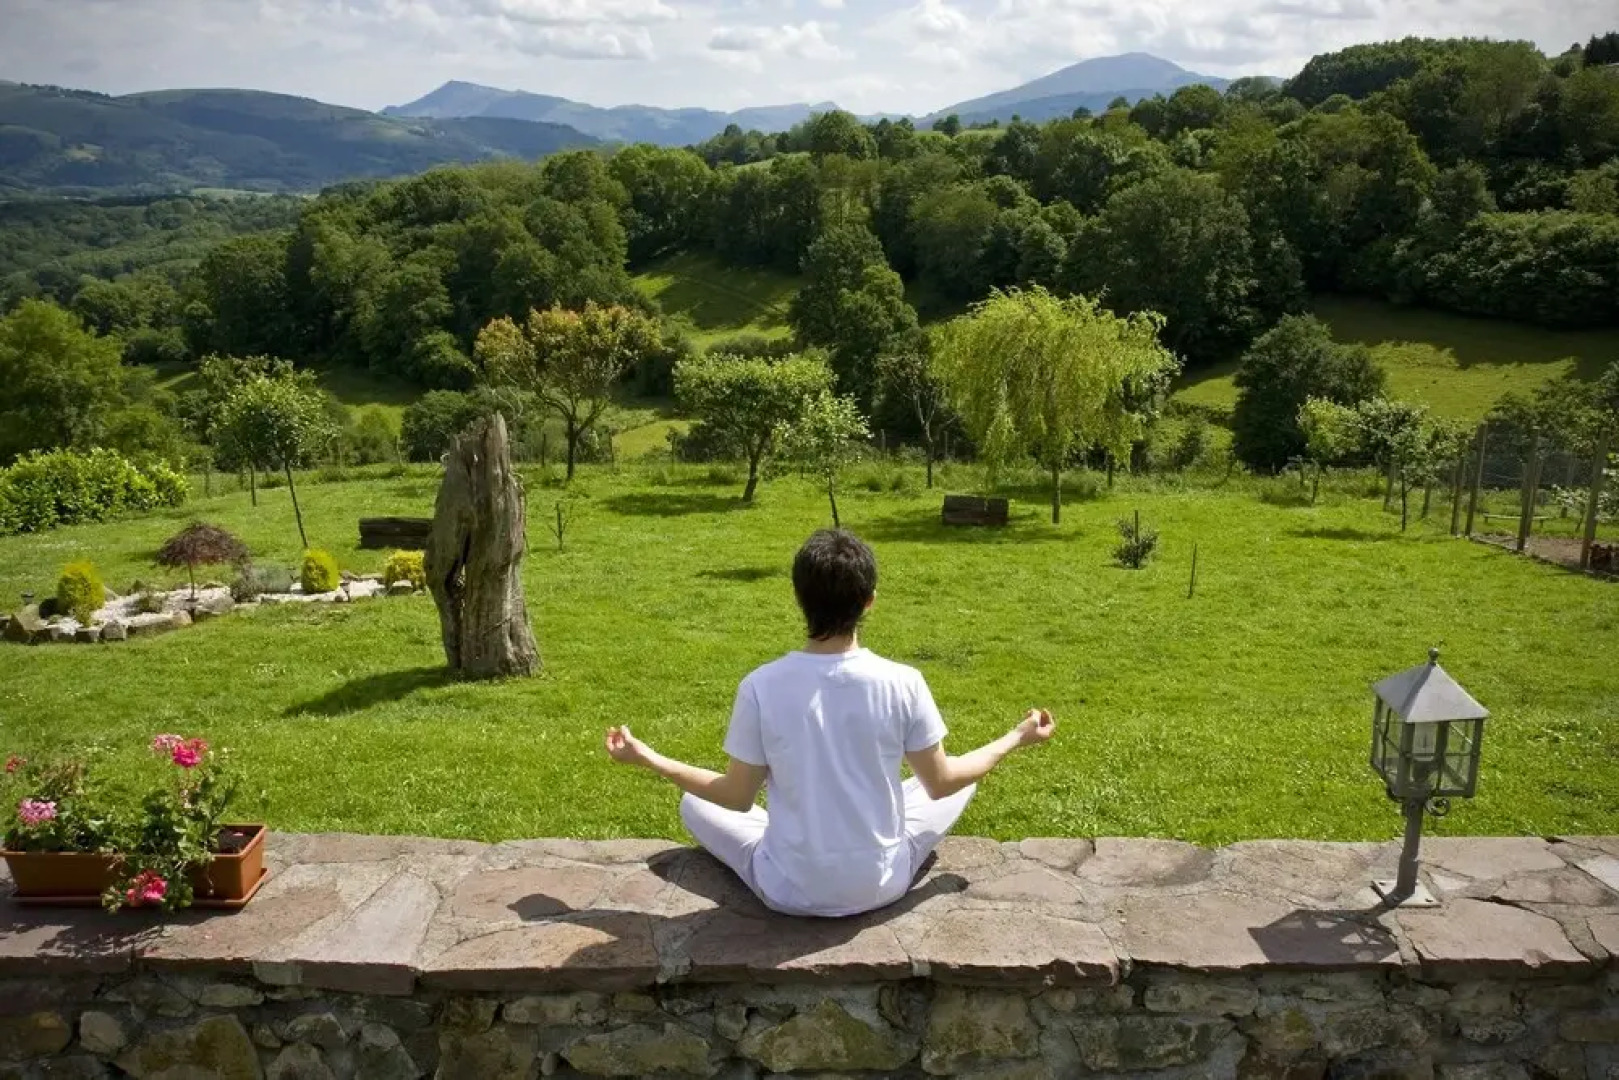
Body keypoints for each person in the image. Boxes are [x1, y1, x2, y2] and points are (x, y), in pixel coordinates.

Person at [604, 528, 1056, 917]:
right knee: (960, 777)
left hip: (788, 889)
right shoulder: (905, 682)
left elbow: (736, 797)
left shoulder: (761, 686)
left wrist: (648, 757)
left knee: (693, 804)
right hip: (882, 884)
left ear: (799, 598)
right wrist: (1015, 737)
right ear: (869, 602)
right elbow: (940, 784)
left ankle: (798, 843)